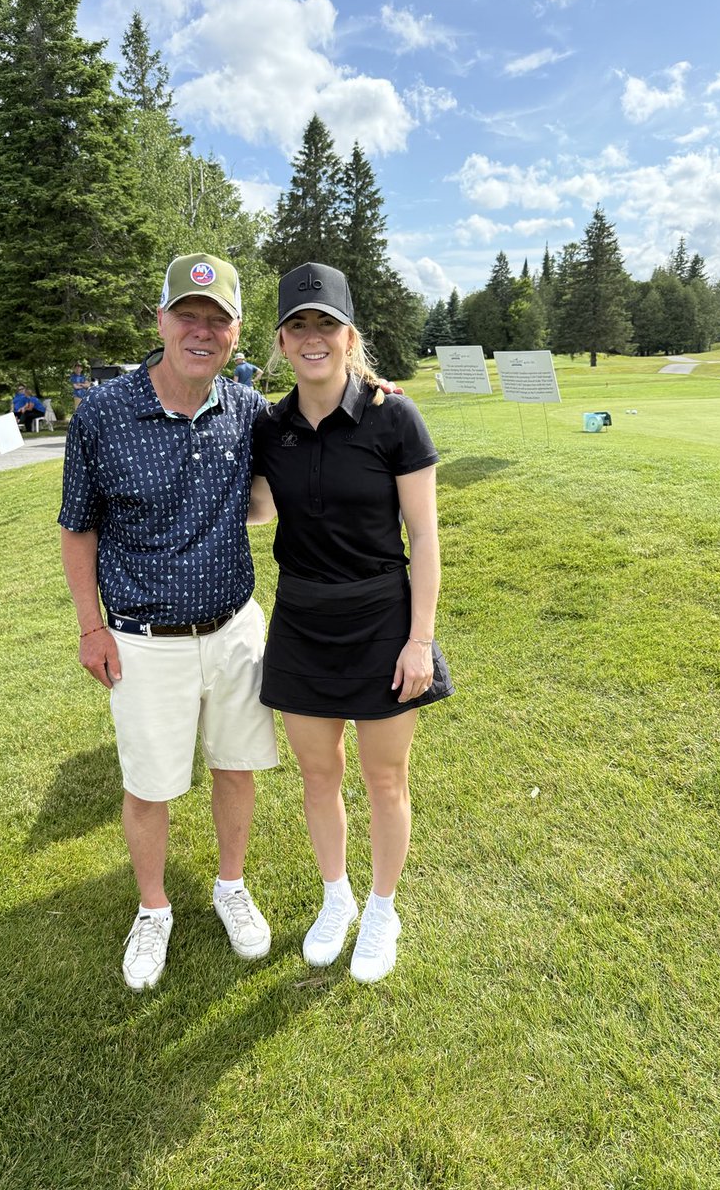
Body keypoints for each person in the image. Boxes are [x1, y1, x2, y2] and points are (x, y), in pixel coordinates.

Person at [58, 254, 279, 993]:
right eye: (188, 315)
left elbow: (321, 423)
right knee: (150, 784)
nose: (201, 331)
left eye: (218, 320)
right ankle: (154, 908)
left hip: (234, 628)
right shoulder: (103, 414)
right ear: (160, 321)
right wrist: (91, 628)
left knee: (236, 766)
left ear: (236, 334)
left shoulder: (247, 409)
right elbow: (78, 528)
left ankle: (230, 885)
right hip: (143, 639)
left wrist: (371, 391)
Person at [250, 262, 454, 984]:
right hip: (302, 619)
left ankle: (382, 908)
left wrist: (420, 640)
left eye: (326, 325)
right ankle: (336, 897)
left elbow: (424, 536)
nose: (313, 338)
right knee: (318, 773)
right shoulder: (267, 426)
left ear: (349, 336)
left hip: (381, 619)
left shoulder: (393, 416)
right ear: (281, 341)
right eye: (298, 325)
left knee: (385, 777)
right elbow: (258, 508)